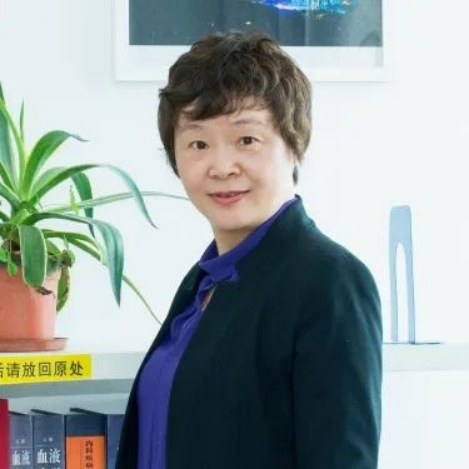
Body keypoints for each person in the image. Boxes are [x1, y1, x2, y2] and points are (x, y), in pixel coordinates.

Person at [116, 30, 382, 469]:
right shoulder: (204, 282)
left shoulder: (330, 281)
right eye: (198, 144)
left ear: (294, 146)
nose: (222, 167)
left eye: (247, 140)